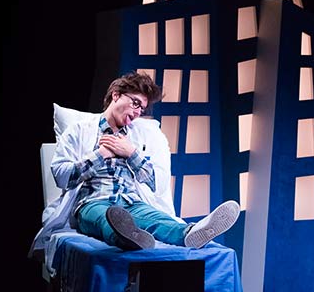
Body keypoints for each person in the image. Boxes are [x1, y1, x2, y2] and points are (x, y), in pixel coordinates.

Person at [32, 71, 240, 253]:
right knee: (104, 218)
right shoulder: (79, 130)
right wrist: (101, 155)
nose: (138, 112)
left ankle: (189, 233)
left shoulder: (139, 136)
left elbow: (155, 182)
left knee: (156, 220)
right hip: (93, 202)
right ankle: (125, 237)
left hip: (131, 201)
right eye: (136, 103)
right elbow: (62, 176)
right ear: (116, 95)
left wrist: (131, 153)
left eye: (142, 109)